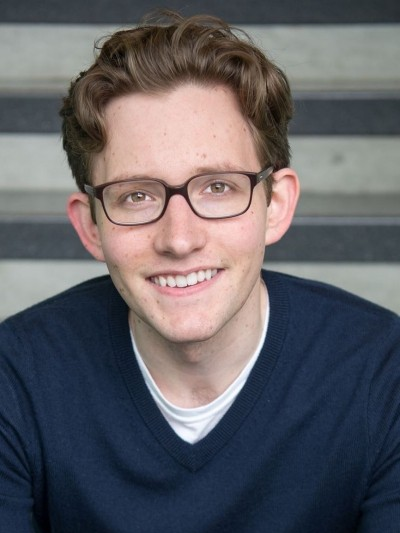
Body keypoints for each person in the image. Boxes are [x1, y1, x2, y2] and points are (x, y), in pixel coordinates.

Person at [1, 11, 399, 533]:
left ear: (276, 205)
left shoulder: (384, 373)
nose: (180, 239)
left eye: (218, 187)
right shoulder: (15, 377)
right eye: (137, 196)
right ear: (91, 226)